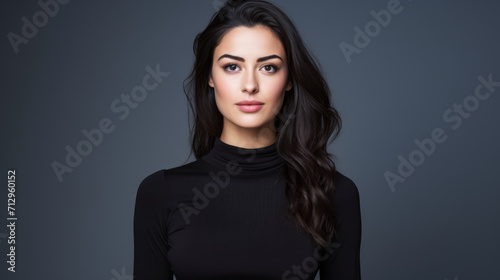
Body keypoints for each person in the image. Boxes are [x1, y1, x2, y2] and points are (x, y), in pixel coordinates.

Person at [133, 0, 362, 279]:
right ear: (210, 76)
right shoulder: (161, 193)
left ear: (289, 78)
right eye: (232, 67)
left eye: (268, 68)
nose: (250, 85)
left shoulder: (333, 194)